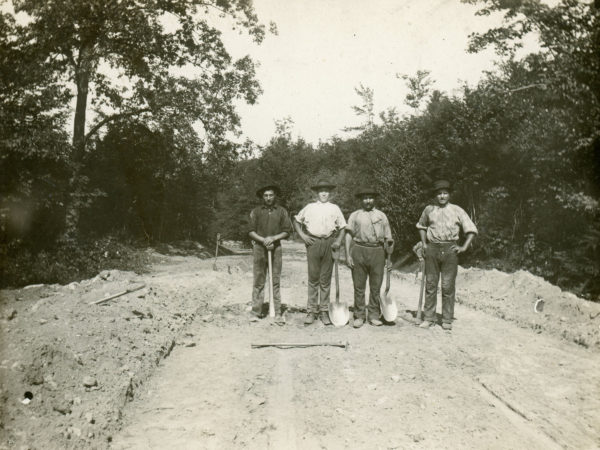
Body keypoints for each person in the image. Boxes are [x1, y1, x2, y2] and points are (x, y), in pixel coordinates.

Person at [416, 180, 478, 330]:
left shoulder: (457, 210)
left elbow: (471, 230)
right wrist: (424, 243)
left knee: (447, 285)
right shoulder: (429, 210)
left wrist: (463, 247)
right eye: (439, 194)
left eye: (445, 193)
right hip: (432, 249)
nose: (442, 196)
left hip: (450, 250)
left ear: (449, 194)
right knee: (431, 284)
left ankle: (447, 319)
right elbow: (421, 226)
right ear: (435, 195)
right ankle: (429, 318)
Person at [294, 180, 347, 325]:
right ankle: (311, 311)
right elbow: (297, 221)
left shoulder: (334, 208)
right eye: (321, 191)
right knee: (313, 278)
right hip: (313, 242)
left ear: (330, 193)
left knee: (325, 279)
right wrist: (303, 236)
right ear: (317, 193)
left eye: (326, 191)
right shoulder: (310, 207)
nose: (324, 193)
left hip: (329, 242)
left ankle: (324, 311)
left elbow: (342, 227)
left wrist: (338, 241)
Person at [345, 187, 394, 327]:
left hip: (377, 251)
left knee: (375, 285)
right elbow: (348, 235)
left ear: (374, 199)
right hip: (359, 249)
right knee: (359, 285)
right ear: (361, 200)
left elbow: (388, 239)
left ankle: (373, 314)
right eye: (365, 198)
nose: (368, 200)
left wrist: (389, 258)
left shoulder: (381, 216)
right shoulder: (355, 215)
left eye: (370, 198)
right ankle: (359, 315)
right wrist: (347, 254)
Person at [248, 183, 293, 325]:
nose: (268, 198)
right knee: (259, 280)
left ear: (275, 196)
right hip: (259, 248)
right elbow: (250, 231)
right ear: (263, 197)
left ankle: (277, 312)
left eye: (271, 195)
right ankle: (256, 311)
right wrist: (264, 240)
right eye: (266, 195)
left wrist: (273, 238)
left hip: (276, 248)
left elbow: (287, 230)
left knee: (275, 280)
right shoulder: (256, 212)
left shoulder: (282, 211)